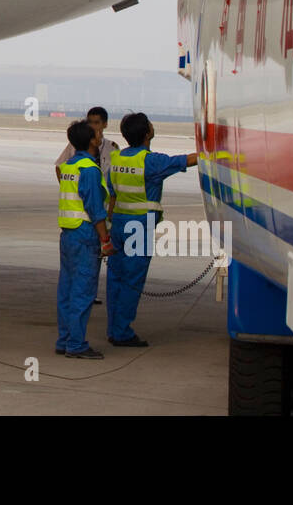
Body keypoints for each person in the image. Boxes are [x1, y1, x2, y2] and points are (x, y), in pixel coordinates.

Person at [104, 112, 198, 347]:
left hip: (118, 224)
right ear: (147, 133)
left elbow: (111, 195)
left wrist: (106, 230)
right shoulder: (151, 161)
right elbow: (186, 160)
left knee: (115, 278)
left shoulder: (116, 159)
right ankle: (122, 332)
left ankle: (113, 327)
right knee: (132, 280)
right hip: (139, 227)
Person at [55, 120, 111, 359]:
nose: (100, 138)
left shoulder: (68, 166)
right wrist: (105, 239)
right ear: (90, 141)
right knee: (83, 291)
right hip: (85, 235)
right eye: (97, 135)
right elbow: (95, 209)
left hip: (68, 233)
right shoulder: (89, 169)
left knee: (66, 290)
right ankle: (76, 344)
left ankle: (65, 339)